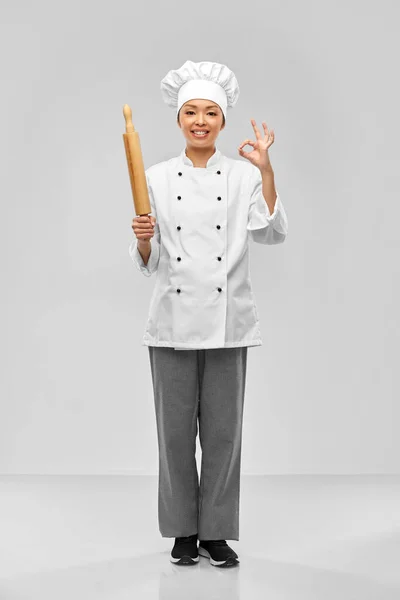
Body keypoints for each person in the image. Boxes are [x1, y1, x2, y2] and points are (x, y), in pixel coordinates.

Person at [129, 60, 288, 568]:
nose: (201, 120)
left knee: (223, 434)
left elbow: (270, 231)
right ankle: (181, 531)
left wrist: (265, 167)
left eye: (211, 112)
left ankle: (216, 532)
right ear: (179, 120)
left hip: (229, 323)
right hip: (171, 323)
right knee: (174, 434)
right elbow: (149, 263)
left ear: (223, 120)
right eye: (192, 112)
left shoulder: (242, 175)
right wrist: (144, 239)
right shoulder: (153, 177)